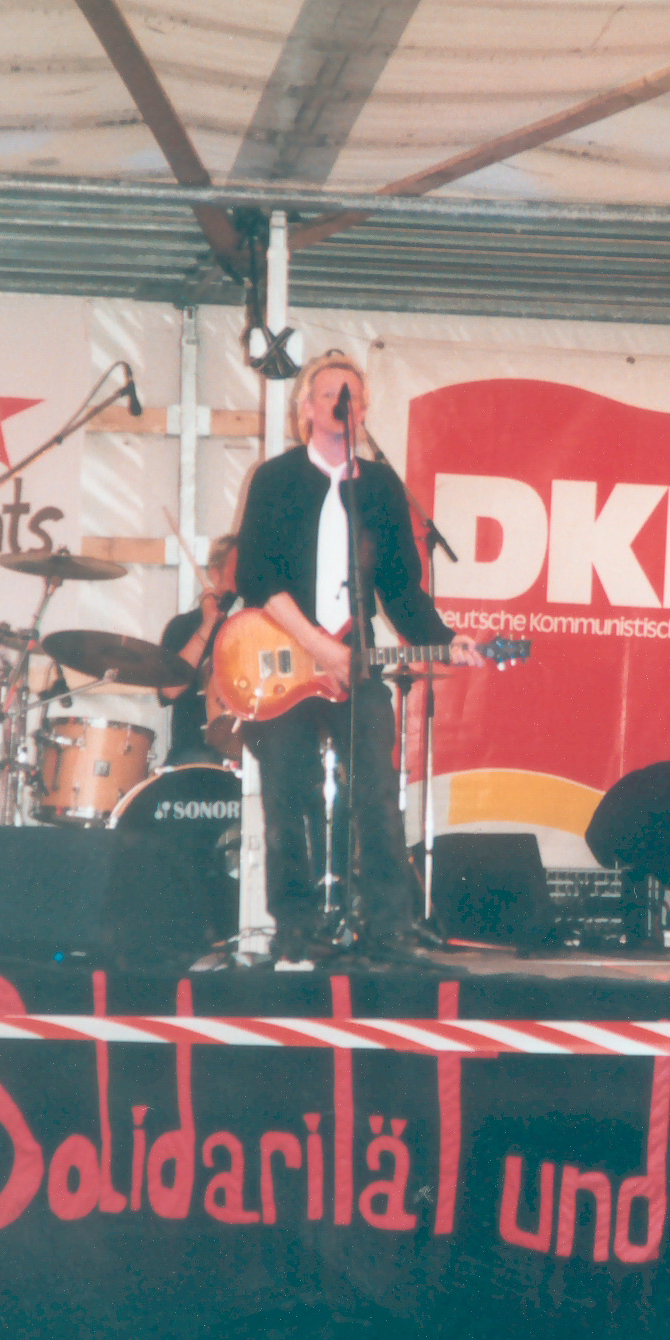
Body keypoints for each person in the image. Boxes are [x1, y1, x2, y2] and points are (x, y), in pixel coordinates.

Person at [235, 351, 482, 965]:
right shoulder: (275, 479)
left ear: (364, 410)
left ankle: (387, 927)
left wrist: (445, 637)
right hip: (285, 651)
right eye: (329, 394)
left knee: (376, 791)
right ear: (306, 407)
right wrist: (319, 646)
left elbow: (400, 586)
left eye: (352, 396)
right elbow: (256, 576)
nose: (341, 404)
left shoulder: (379, 487)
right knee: (287, 792)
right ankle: (296, 926)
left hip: (358, 653)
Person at [158, 534, 239, 764]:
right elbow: (169, 691)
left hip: (251, 749)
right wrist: (208, 623)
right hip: (196, 753)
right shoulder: (183, 626)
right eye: (238, 568)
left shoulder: (260, 624)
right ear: (215, 574)